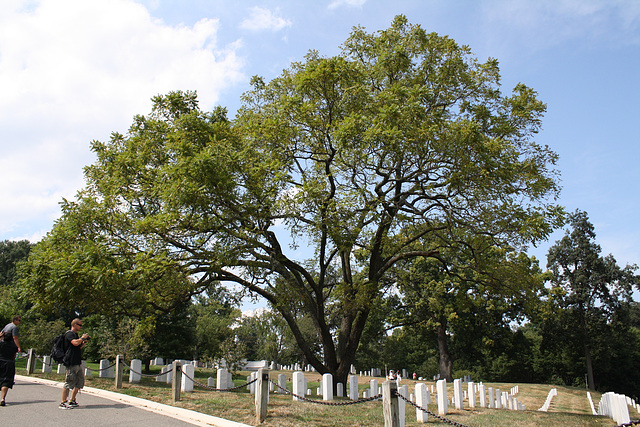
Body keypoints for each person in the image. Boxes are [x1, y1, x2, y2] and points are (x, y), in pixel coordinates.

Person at [59, 318, 90, 410]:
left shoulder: (75, 335)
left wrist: (84, 341)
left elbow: (78, 346)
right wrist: (82, 338)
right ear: (74, 325)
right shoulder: (69, 334)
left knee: (79, 382)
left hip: (77, 362)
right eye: (79, 325)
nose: (81, 327)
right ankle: (63, 402)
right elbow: (75, 343)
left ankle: (72, 400)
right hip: (71, 362)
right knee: (69, 382)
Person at [0, 315, 22, 406]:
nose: (20, 322)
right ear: (15, 320)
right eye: (19, 320)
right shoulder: (14, 328)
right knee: (6, 381)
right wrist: (18, 347)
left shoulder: (7, 326)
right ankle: (2, 398)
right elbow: (15, 338)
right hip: (8, 362)